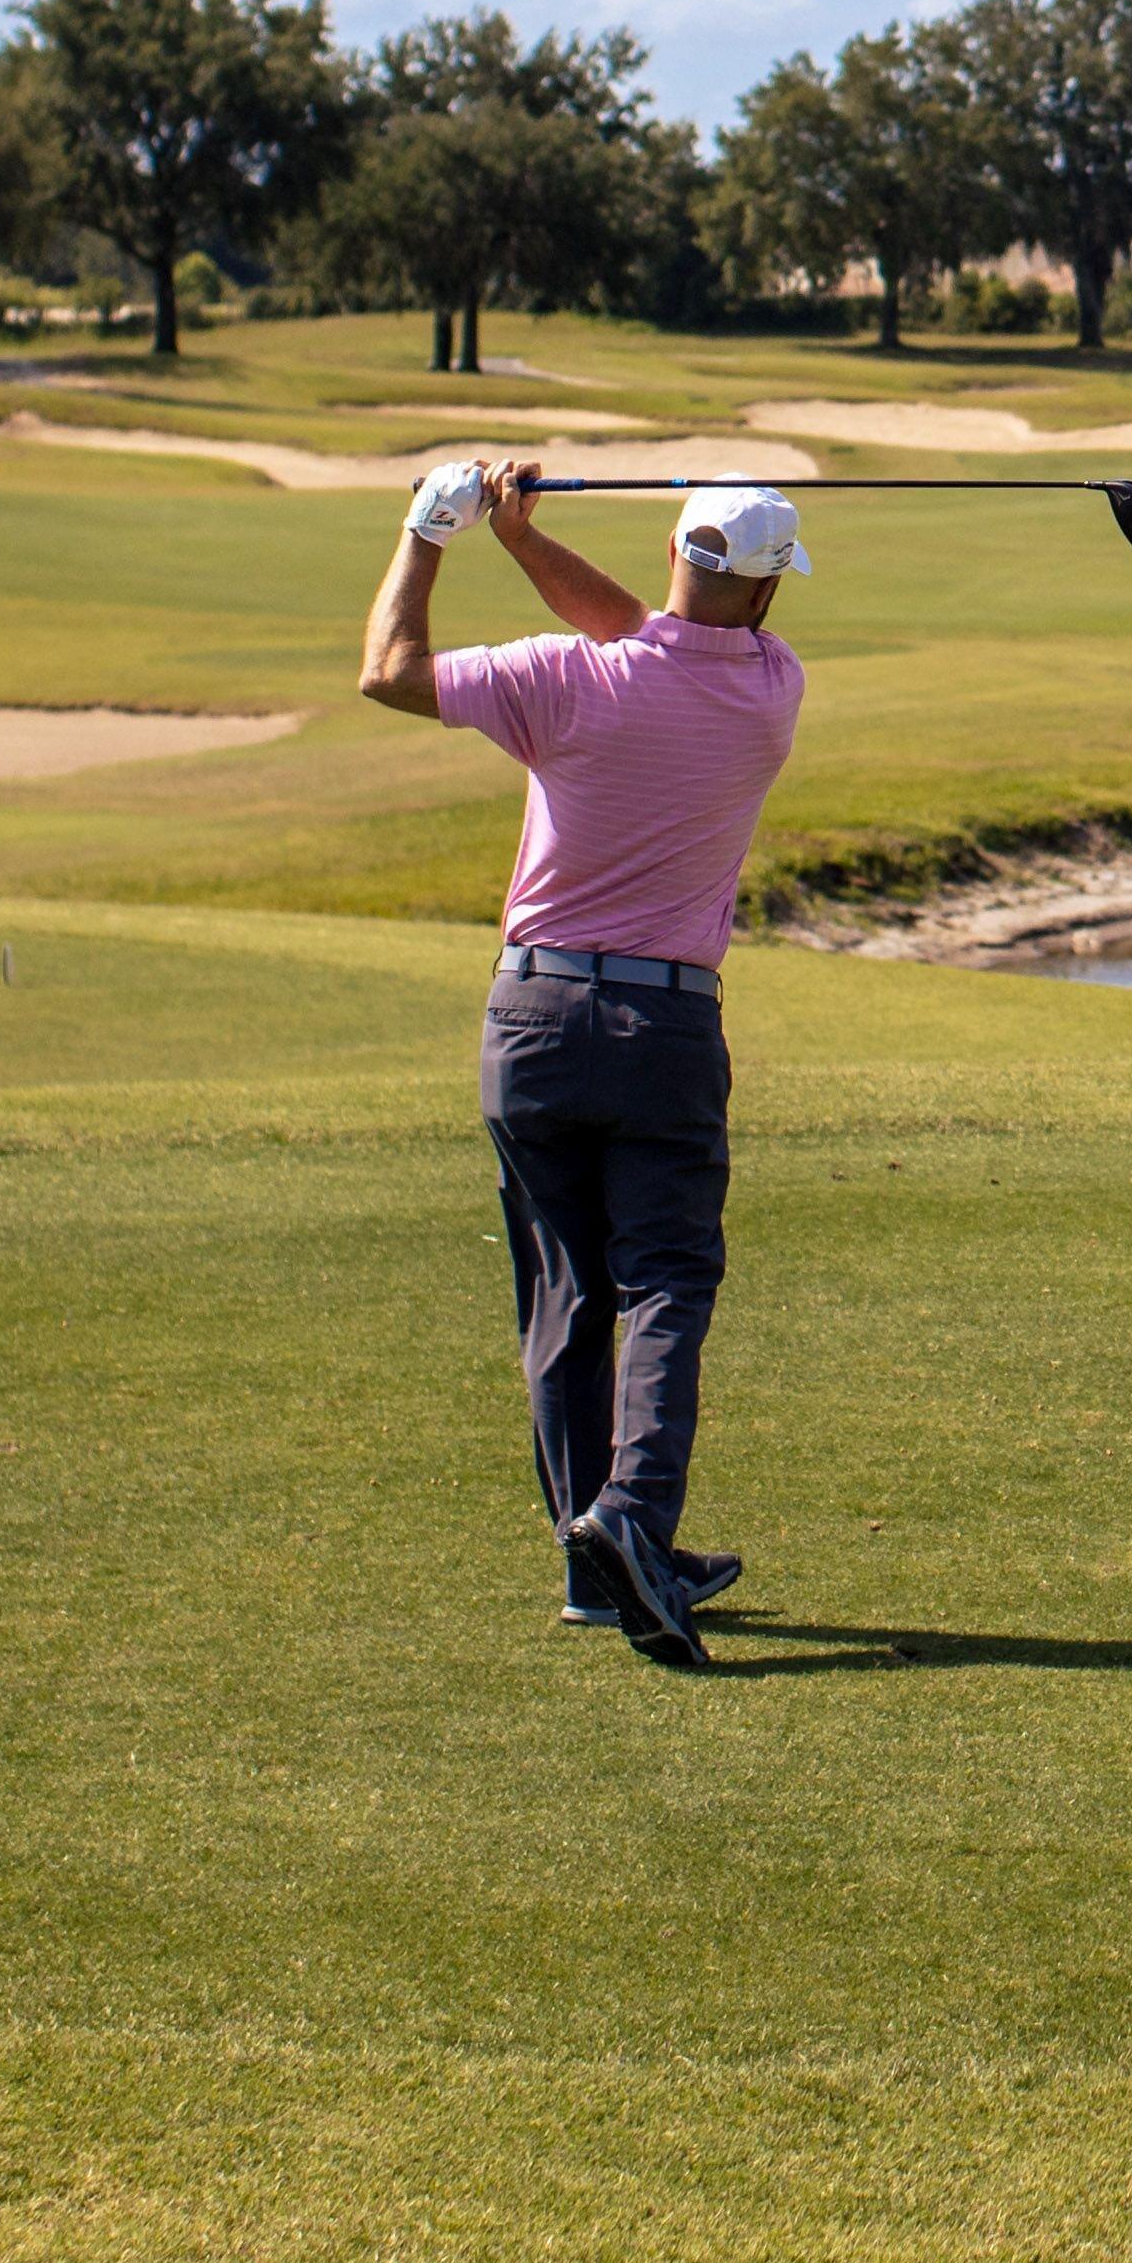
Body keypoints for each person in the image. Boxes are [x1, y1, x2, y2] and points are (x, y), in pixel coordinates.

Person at [357, 457, 813, 1671]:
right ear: (768, 596)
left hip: (535, 1020)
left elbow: (388, 669)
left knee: (566, 1295)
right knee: (665, 1280)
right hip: (664, 1031)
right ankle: (632, 1526)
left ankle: (590, 1566)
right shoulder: (773, 687)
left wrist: (441, 532)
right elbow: (661, 638)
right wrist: (516, 538)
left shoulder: (563, 679)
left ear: (674, 554)